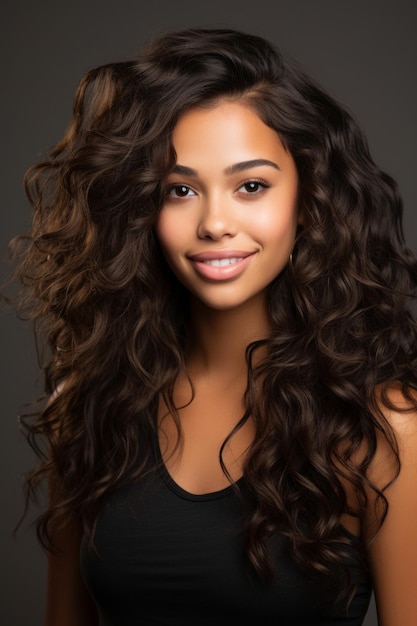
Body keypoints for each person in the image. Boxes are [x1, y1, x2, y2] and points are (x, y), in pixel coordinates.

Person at [8, 27, 417, 626]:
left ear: (308, 200)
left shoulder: (385, 429)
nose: (215, 222)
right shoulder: (92, 406)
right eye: (180, 190)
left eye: (251, 186)